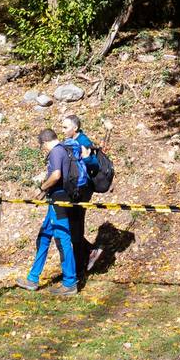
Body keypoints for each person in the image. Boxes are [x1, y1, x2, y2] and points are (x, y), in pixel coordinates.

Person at [15, 128, 78, 295]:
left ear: (44, 142)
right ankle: (33, 279)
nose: (43, 150)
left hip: (60, 202)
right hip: (55, 200)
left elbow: (56, 175)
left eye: (41, 147)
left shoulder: (56, 151)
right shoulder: (63, 149)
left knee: (62, 240)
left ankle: (70, 282)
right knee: (43, 237)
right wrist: (42, 193)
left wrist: (42, 187)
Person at [60, 113, 102, 276]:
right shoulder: (71, 142)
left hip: (83, 191)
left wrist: (86, 158)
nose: (63, 130)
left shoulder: (83, 142)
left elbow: (94, 165)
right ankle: (90, 252)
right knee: (72, 225)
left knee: (75, 226)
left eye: (65, 127)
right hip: (74, 190)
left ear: (75, 128)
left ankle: (79, 269)